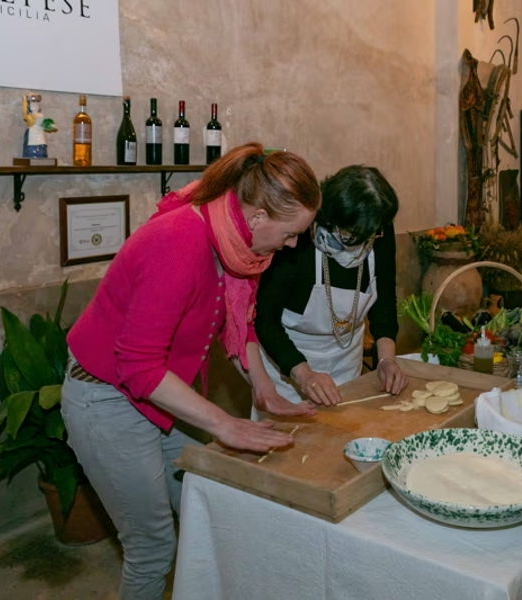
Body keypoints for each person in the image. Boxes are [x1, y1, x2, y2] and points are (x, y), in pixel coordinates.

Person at [60, 143, 321, 600]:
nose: (293, 244)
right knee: (152, 548)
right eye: (291, 233)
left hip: (156, 395)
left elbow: (237, 320)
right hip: (106, 400)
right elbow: (138, 365)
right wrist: (225, 424)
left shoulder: (239, 243)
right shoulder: (179, 240)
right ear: (258, 215)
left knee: (212, 506)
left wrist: (263, 388)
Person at [253, 165, 408, 410]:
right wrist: (303, 374)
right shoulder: (297, 237)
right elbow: (265, 318)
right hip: (287, 366)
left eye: (371, 235)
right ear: (331, 220)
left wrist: (386, 359)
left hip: (347, 361)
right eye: (353, 235)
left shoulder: (375, 227)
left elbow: (385, 299)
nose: (365, 242)